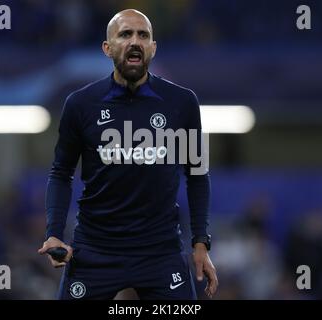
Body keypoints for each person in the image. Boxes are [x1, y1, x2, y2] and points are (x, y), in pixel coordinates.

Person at [38, 9, 218, 300]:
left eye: (143, 35)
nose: (135, 41)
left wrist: (200, 243)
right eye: (125, 34)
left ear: (153, 48)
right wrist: (54, 233)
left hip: (160, 252)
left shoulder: (182, 102)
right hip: (95, 250)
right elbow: (61, 173)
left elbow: (197, 175)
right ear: (107, 48)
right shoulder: (81, 104)